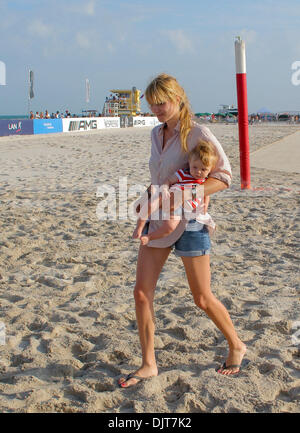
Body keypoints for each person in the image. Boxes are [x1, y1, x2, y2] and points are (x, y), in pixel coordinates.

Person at [118, 73, 247, 388]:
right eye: (152, 104)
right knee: (141, 293)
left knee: (201, 298)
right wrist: (146, 198)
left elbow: (225, 175)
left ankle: (236, 345)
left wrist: (192, 193)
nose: (157, 110)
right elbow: (160, 176)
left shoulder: (198, 132)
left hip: (190, 221)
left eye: (161, 103)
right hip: (159, 219)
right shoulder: (155, 133)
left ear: (178, 99)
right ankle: (149, 364)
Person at [133, 140, 217, 245]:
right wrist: (164, 188)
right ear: (189, 163)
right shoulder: (184, 173)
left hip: (182, 207)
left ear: (210, 170)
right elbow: (168, 180)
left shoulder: (205, 182)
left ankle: (149, 237)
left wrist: (205, 206)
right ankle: (139, 227)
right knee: (150, 204)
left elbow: (206, 193)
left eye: (203, 169)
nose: (198, 172)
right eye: (195, 167)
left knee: (170, 227)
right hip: (169, 195)